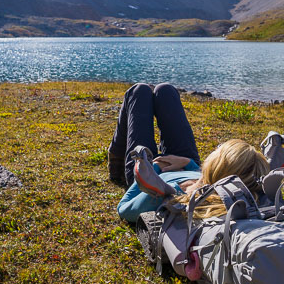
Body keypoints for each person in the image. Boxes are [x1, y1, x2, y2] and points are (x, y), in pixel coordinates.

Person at [108, 83, 269, 223]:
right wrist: (187, 163)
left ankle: (116, 161)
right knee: (166, 90)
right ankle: (117, 158)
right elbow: (207, 177)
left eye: (219, 149)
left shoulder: (172, 195)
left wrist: (154, 168)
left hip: (148, 173)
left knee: (138, 92)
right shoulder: (210, 180)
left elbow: (124, 209)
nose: (216, 148)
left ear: (218, 168)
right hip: (186, 165)